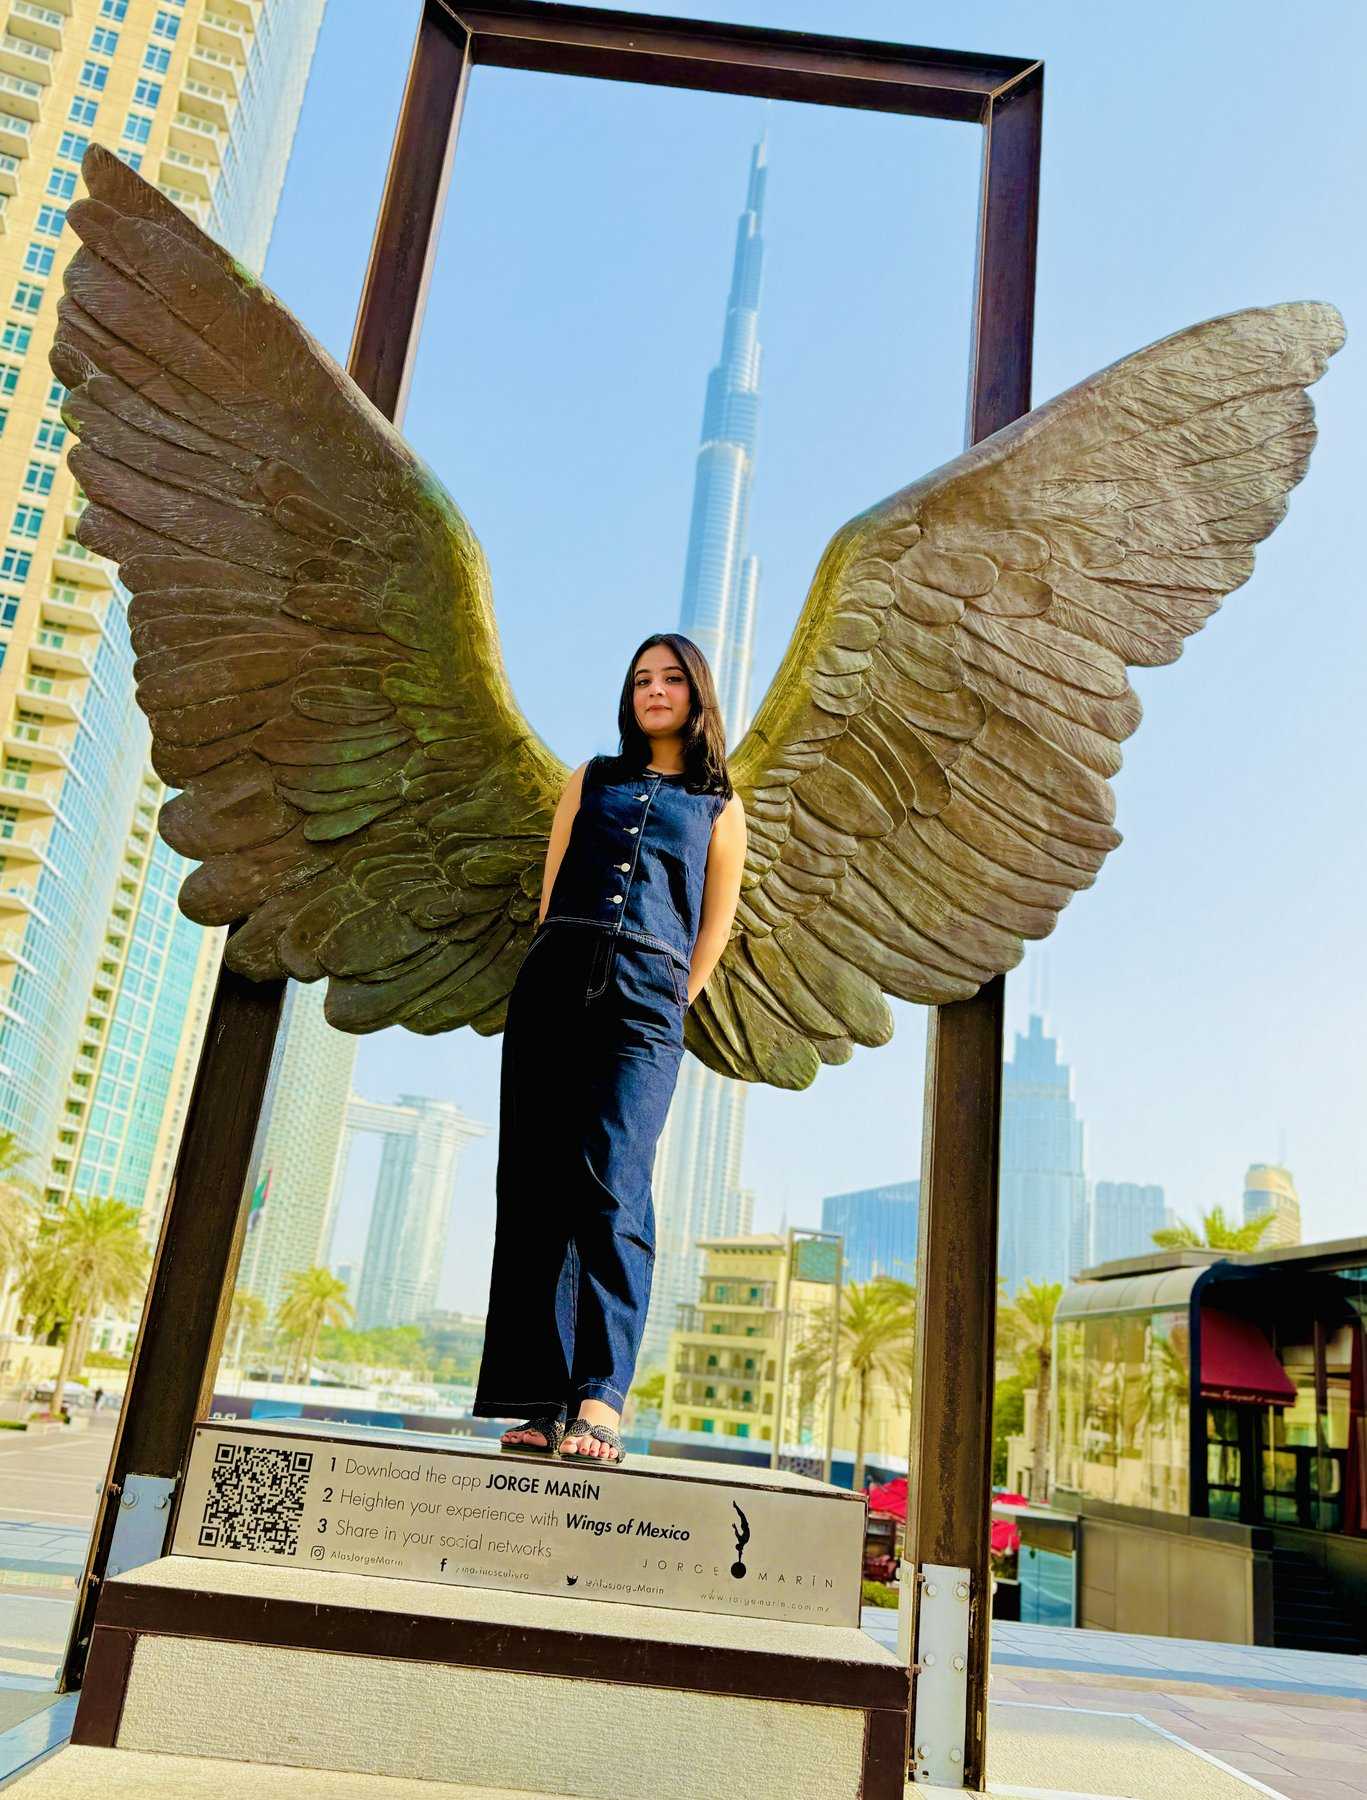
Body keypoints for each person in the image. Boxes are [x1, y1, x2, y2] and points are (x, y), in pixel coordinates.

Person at [472, 633, 747, 1467]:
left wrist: (670, 997)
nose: (654, 691)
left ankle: (600, 1398)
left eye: (670, 679)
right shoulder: (591, 778)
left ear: (696, 693)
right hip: (557, 975)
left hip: (648, 995)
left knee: (615, 1180)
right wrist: (553, 963)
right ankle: (538, 1400)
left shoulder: (718, 805)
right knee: (536, 1185)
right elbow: (553, 885)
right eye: (640, 680)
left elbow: (714, 924)